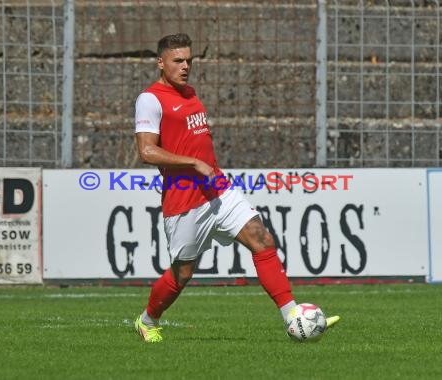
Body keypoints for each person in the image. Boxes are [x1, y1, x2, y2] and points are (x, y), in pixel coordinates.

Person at [133, 33, 340, 343]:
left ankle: (293, 316)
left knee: (262, 238)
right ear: (160, 62)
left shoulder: (190, 93)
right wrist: (192, 163)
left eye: (189, 60)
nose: (185, 66)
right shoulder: (150, 99)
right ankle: (147, 320)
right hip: (185, 202)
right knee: (182, 274)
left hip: (218, 190)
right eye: (178, 61)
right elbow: (147, 151)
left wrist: (208, 169)